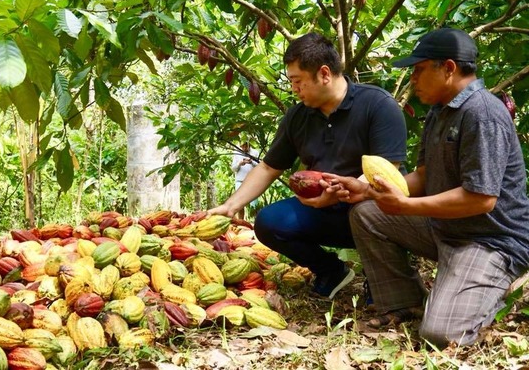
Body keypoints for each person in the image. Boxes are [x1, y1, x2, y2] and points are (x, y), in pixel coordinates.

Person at [329, 27, 529, 347]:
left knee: (441, 335)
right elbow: (423, 176)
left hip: (491, 240)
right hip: (447, 229)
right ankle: (404, 302)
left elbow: (481, 199)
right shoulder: (439, 112)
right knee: (367, 212)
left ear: (448, 68)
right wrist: (368, 190)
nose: (413, 79)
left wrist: (406, 206)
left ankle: (502, 280)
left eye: (419, 70)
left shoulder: (482, 113)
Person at [209, 32, 407, 299]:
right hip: (324, 210)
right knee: (270, 222)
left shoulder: (377, 105)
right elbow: (269, 167)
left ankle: (381, 275)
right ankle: (331, 271)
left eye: (298, 81)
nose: (294, 88)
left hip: (372, 206)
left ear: (324, 74)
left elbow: (387, 168)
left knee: (369, 210)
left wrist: (345, 192)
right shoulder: (298, 116)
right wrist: (230, 206)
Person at [231, 142, 259, 220]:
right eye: (242, 146)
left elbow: (260, 166)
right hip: (240, 181)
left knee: (254, 205)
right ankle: (241, 222)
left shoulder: (255, 152)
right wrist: (240, 163)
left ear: (248, 145)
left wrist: (252, 162)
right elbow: (233, 168)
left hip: (252, 181)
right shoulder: (237, 153)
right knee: (239, 204)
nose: (243, 148)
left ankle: (255, 223)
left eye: (245, 146)